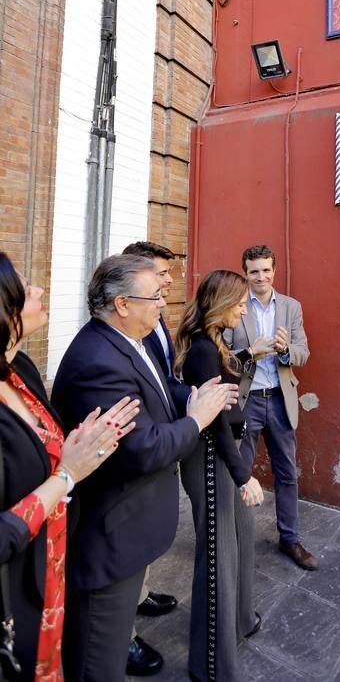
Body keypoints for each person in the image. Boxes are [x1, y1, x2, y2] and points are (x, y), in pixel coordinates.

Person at [51, 254, 237, 682]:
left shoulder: (135, 338)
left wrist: (192, 397)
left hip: (131, 532)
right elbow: (143, 449)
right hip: (109, 540)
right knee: (98, 663)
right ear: (122, 304)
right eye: (154, 296)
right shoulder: (98, 361)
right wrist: (197, 420)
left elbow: (161, 387)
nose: (163, 303)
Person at [0, 251, 139, 681]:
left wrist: (79, 442)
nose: (39, 289)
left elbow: (40, 446)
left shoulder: (19, 368)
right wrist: (68, 473)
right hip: (12, 589)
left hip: (51, 564)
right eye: (26, 288)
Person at [174, 270, 266, 682]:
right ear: (221, 304)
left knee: (242, 535)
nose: (244, 310)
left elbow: (228, 382)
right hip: (211, 457)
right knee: (217, 557)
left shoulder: (216, 342)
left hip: (225, 454)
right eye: (240, 304)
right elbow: (214, 424)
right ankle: (210, 664)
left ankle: (240, 620)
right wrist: (244, 475)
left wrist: (248, 355)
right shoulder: (202, 351)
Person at [228, 245, 316, 570]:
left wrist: (284, 350)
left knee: (287, 473)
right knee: (239, 473)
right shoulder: (235, 306)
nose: (261, 277)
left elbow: (303, 352)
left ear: (274, 271)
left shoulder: (291, 307)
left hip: (280, 400)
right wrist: (251, 351)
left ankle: (290, 539)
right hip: (247, 401)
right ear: (245, 273)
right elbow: (223, 355)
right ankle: (234, 540)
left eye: (266, 270)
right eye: (254, 271)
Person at [122, 241, 178, 677]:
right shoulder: (121, 335)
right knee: (126, 547)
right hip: (139, 456)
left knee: (141, 546)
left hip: (160, 441)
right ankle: (123, 636)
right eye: (160, 275)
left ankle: (140, 596)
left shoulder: (157, 317)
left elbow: (164, 378)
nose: (169, 282)